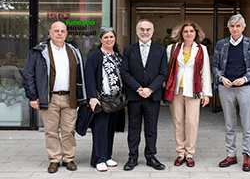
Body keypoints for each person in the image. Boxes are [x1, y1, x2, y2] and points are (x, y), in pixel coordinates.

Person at [22, 21, 87, 173]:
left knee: (69, 130)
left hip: (69, 97)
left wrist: (81, 96)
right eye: (56, 30)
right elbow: (28, 75)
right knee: (50, 131)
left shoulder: (73, 50)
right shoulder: (38, 51)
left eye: (62, 31)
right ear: (50, 33)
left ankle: (68, 158)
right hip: (49, 97)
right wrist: (32, 97)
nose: (59, 33)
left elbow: (80, 74)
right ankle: (54, 159)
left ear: (66, 33)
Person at [211, 14, 250, 172]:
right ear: (229, 27)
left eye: (238, 26)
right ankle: (231, 155)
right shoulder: (221, 44)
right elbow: (214, 65)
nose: (235, 29)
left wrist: (246, 78)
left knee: (247, 124)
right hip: (225, 88)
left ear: (243, 27)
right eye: (232, 26)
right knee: (229, 123)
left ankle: (247, 155)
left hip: (245, 88)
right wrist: (220, 77)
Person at [120, 19, 167, 171]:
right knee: (133, 128)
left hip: (152, 96)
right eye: (142, 29)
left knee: (151, 128)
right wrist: (139, 88)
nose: (145, 32)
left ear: (152, 32)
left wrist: (150, 89)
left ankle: (151, 157)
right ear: (136, 31)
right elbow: (124, 72)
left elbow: (163, 73)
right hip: (134, 96)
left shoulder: (160, 50)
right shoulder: (129, 50)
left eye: (148, 29)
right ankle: (132, 157)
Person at [164, 21, 212, 167]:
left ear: (196, 33)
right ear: (181, 34)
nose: (189, 34)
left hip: (194, 91)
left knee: (192, 122)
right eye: (186, 31)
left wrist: (206, 94)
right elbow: (166, 70)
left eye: (192, 31)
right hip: (176, 90)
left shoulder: (201, 49)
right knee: (178, 121)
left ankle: (189, 154)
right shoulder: (172, 48)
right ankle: (180, 153)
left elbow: (205, 72)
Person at [82, 27, 126, 172]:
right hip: (101, 100)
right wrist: (92, 97)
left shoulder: (118, 56)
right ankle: (98, 159)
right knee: (100, 130)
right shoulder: (95, 55)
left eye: (111, 37)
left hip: (115, 101)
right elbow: (88, 77)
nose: (109, 40)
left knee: (110, 130)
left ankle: (107, 156)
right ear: (100, 39)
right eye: (106, 37)